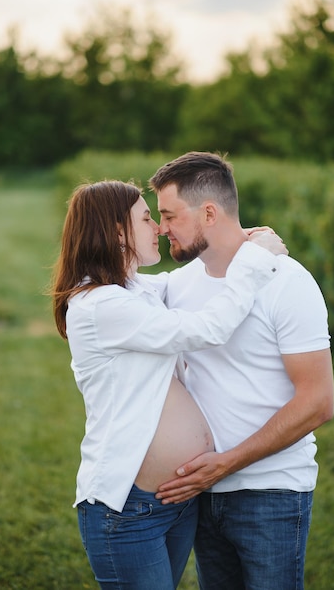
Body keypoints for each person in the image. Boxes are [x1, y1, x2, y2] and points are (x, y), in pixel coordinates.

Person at [50, 179, 286, 590]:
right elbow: (206, 328)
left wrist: (236, 240)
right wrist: (254, 263)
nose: (158, 227)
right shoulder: (100, 305)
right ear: (117, 232)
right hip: (129, 509)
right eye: (146, 218)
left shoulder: (133, 290)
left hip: (173, 502)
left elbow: (184, 280)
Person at [148, 151, 334, 590]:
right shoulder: (178, 284)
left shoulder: (287, 282)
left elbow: (318, 402)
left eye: (169, 215)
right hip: (200, 496)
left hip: (271, 494)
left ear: (208, 212)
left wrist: (227, 463)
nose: (161, 228)